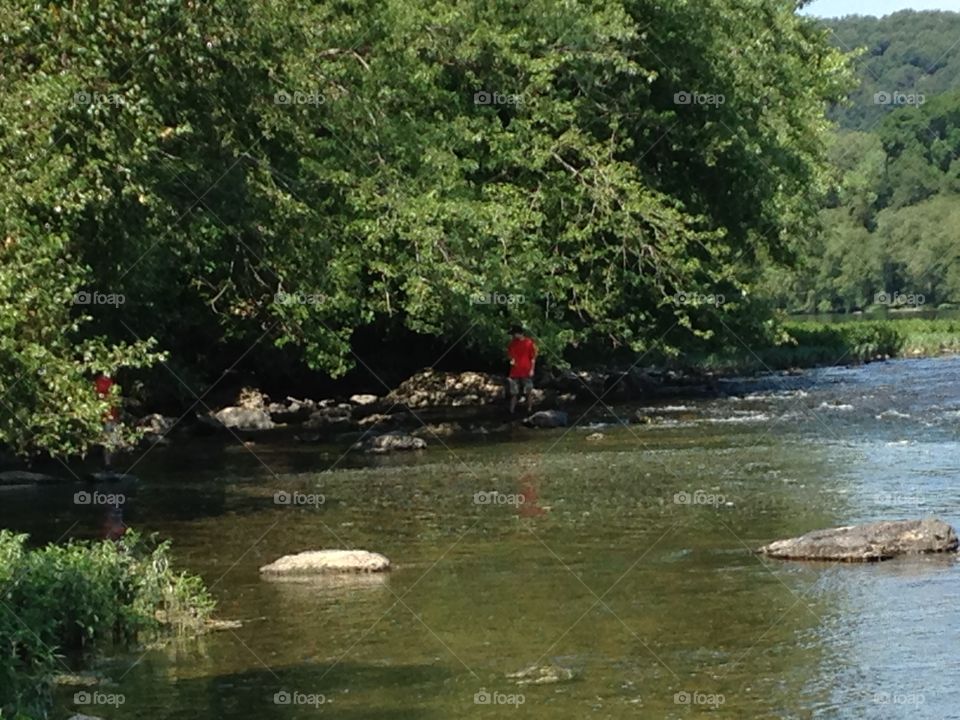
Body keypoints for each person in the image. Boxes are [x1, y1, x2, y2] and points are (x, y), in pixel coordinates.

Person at [506, 325, 537, 414]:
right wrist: (511, 360)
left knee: (528, 392)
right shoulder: (512, 344)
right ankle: (511, 411)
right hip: (514, 372)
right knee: (514, 393)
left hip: (526, 371)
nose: (513, 336)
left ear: (519, 333)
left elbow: (533, 358)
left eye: (514, 334)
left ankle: (529, 409)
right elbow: (510, 356)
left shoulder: (529, 343)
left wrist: (532, 369)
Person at [94, 373, 120, 469]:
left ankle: (111, 464)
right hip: (106, 417)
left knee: (114, 441)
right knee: (108, 441)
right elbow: (99, 396)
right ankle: (107, 464)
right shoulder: (100, 381)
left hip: (113, 416)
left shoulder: (111, 381)